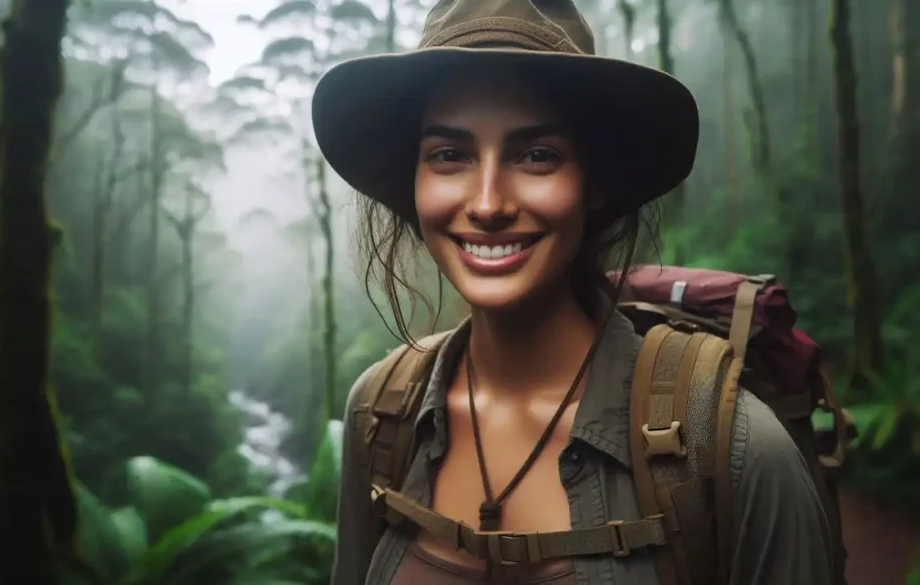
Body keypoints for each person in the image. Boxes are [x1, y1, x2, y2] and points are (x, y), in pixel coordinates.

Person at [310, 0, 835, 583]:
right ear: (415, 181)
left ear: (595, 182)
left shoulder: (734, 449)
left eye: (537, 155)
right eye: (449, 155)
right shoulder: (382, 415)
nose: (487, 203)